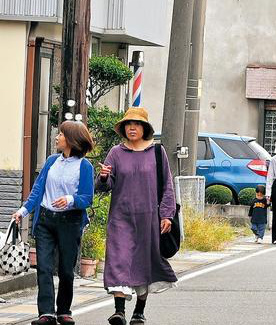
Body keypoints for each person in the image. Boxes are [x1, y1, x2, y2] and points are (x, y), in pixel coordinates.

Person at [96, 107, 177, 325]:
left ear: (145, 128)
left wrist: (167, 214)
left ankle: (139, 311)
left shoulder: (157, 153)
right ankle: (119, 311)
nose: (132, 127)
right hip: (120, 217)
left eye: (137, 124)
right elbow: (104, 187)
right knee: (118, 260)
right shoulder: (115, 152)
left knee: (144, 262)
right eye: (128, 124)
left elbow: (167, 186)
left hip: (149, 218)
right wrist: (103, 177)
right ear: (123, 128)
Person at [12, 121, 94, 325]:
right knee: (44, 268)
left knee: (66, 269)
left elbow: (87, 198)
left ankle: (64, 311)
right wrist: (23, 211)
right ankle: (46, 313)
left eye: (61, 135)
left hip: (70, 221)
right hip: (46, 221)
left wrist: (70, 199)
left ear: (72, 139)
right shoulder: (51, 161)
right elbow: (37, 191)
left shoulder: (84, 166)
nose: (57, 138)